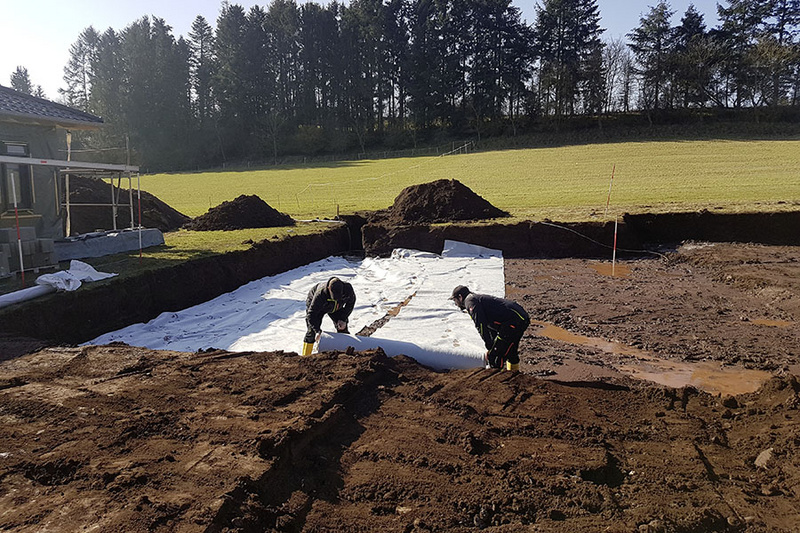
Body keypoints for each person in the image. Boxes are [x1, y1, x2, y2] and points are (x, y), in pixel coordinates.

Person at [450, 285, 530, 371]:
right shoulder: (476, 299)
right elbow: (490, 326)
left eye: (455, 300)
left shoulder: (470, 302)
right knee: (510, 351)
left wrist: (490, 346)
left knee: (495, 356)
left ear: (460, 297)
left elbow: (481, 325)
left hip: (514, 321)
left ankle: (497, 380)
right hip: (520, 317)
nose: (456, 304)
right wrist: (492, 343)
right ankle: (514, 377)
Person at [302, 276, 356, 355]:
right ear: (328, 289)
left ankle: (345, 355)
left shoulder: (348, 289)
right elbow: (311, 314)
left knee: (342, 328)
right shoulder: (320, 294)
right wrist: (317, 331)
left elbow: (350, 304)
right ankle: (305, 357)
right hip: (320, 308)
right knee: (311, 332)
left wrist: (343, 318)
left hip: (337, 307)